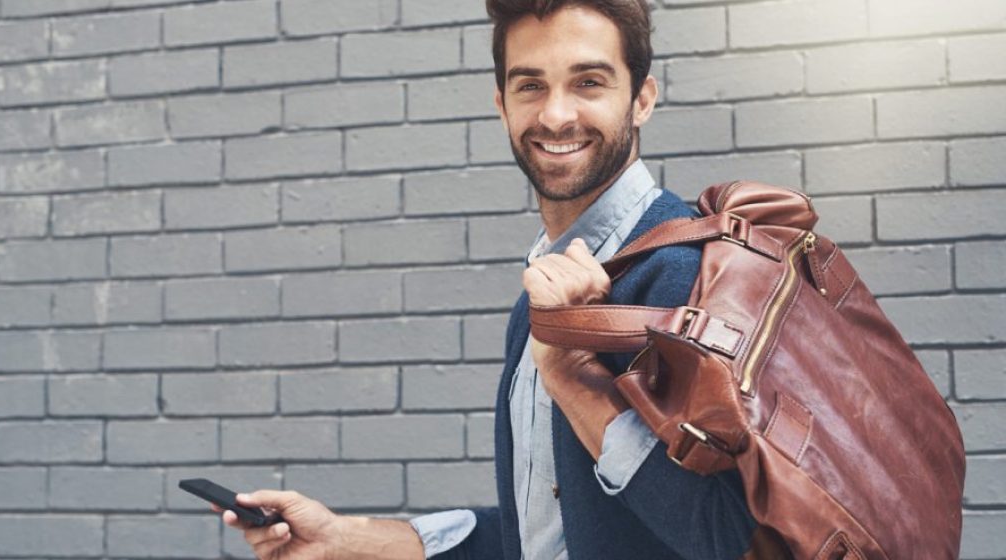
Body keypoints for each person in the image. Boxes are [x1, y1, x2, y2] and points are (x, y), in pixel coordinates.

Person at [214, 1, 758, 558]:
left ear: (641, 99)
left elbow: (733, 540)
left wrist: (573, 378)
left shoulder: (684, 278)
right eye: (530, 86)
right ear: (502, 104)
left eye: (588, 82)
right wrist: (345, 538)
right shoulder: (538, 299)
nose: (555, 115)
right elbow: (550, 531)